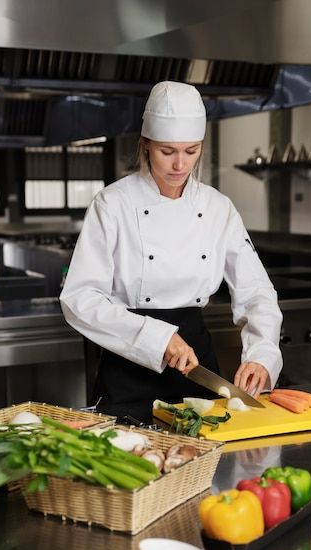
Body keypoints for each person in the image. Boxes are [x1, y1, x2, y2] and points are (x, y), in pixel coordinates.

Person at [60, 81, 283, 421]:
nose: (180, 164)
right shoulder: (113, 203)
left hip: (195, 364)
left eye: (191, 151)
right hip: (129, 361)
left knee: (207, 468)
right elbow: (79, 298)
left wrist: (261, 354)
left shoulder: (217, 207)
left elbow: (256, 292)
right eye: (167, 151)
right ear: (146, 145)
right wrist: (156, 337)